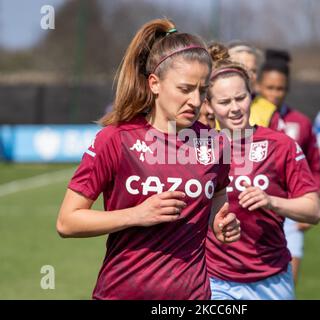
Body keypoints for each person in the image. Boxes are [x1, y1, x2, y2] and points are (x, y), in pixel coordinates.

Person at [56, 19, 241, 300]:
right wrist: (136, 215)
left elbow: (217, 199)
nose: (195, 101)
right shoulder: (116, 139)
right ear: (154, 83)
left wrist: (221, 223)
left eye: (202, 91)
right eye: (185, 89)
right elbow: (67, 222)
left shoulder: (216, 143)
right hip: (121, 293)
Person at [205, 43, 320, 300]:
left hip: (273, 280)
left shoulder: (281, 145)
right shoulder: (197, 149)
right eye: (224, 101)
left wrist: (272, 201)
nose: (235, 108)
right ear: (210, 105)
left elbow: (314, 211)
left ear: (252, 95)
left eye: (240, 98)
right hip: (216, 281)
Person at [256, 49, 320, 285]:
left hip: (291, 212)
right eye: (270, 88)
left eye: (280, 89)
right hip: (254, 211)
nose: (275, 94)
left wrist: (312, 199)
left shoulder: (301, 122)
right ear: (257, 85)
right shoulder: (246, 118)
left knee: (285, 285)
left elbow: (315, 165)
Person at [227, 41, 278, 128]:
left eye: (253, 70)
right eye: (243, 69)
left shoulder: (269, 111)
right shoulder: (208, 109)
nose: (250, 76)